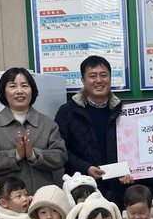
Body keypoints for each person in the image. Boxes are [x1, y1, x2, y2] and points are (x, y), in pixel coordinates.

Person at [0, 67, 67, 198]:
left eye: (24, 86)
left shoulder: (47, 123)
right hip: (6, 202)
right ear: (3, 92)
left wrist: (34, 155)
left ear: (32, 91)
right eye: (13, 86)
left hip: (42, 201)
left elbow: (60, 156)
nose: (19, 91)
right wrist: (15, 155)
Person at [54, 55, 130, 205]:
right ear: (83, 80)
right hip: (83, 189)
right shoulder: (67, 112)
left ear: (110, 78)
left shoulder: (124, 110)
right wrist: (86, 168)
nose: (99, 80)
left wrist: (133, 170)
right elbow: (60, 150)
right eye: (93, 76)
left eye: (104, 75)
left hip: (120, 187)